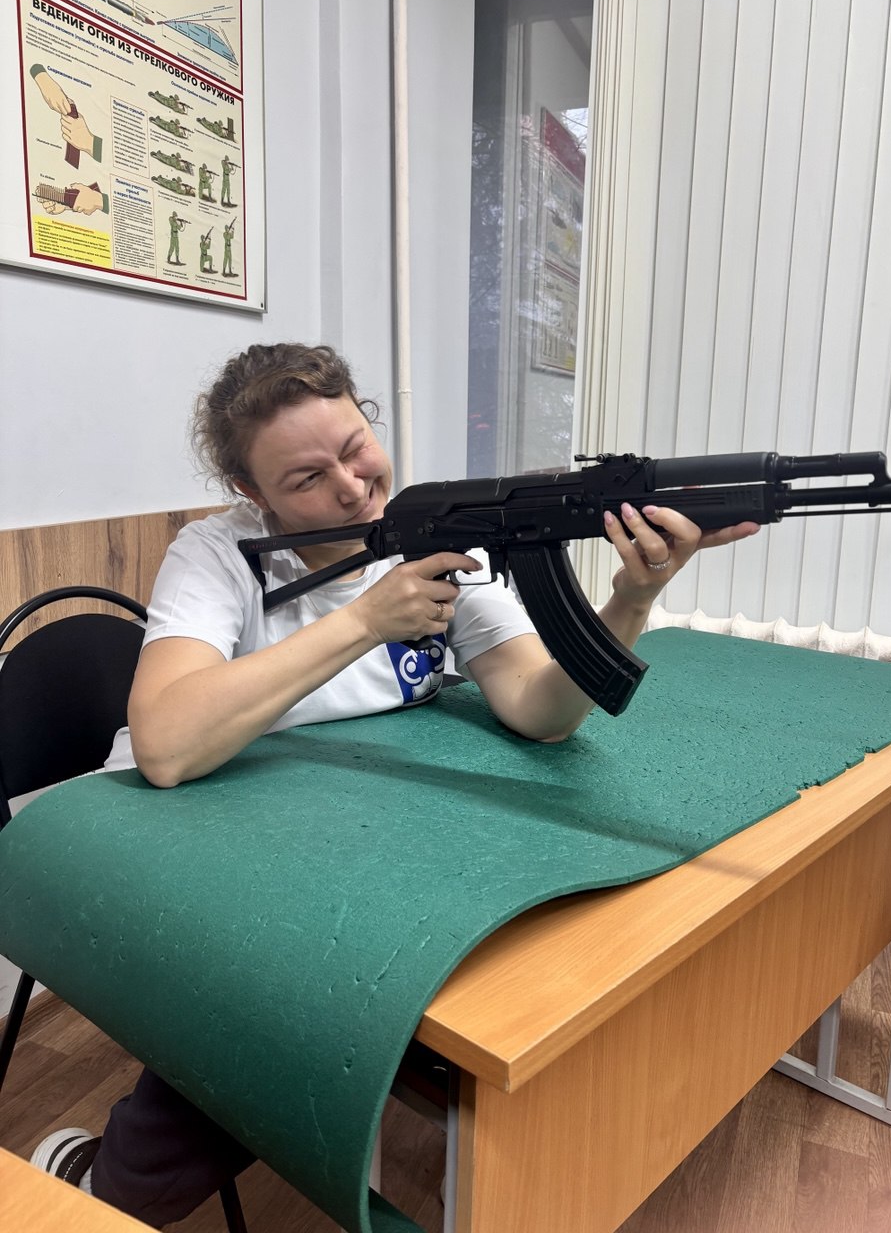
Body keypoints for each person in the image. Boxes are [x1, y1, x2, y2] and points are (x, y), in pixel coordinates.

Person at [28, 342, 758, 1224]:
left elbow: (541, 709)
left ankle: (478, 1160)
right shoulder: (217, 555)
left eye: (355, 448)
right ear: (253, 492)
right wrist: (368, 619)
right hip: (169, 828)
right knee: (272, 1003)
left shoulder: (436, 534)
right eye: (307, 478)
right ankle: (102, 1193)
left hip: (337, 829)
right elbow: (167, 747)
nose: (350, 487)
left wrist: (633, 598)